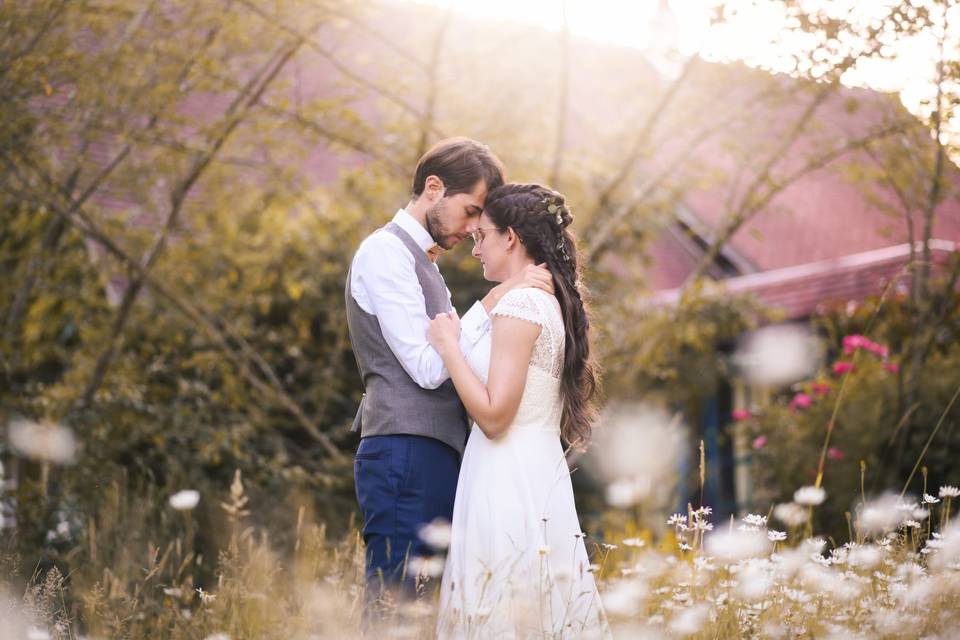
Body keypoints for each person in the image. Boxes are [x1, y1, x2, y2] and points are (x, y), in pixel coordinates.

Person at [344, 138, 553, 619]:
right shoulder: (385, 253)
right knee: (395, 603)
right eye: (470, 210)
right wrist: (498, 298)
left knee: (421, 609)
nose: (474, 226)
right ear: (433, 188)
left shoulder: (426, 266)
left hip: (430, 452)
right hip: (403, 451)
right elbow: (428, 364)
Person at [427, 183, 610, 638]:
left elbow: (493, 417)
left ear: (510, 237)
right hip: (534, 468)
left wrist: (449, 349)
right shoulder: (541, 300)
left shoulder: (522, 303)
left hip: (506, 476)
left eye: (481, 236)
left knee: (504, 608)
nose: (475, 251)